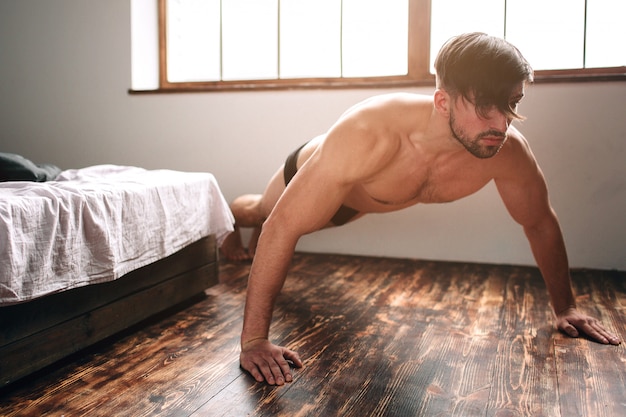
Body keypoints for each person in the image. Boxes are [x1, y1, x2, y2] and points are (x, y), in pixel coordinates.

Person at [222, 33, 621, 386]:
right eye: (486, 107)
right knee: (261, 212)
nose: (502, 124)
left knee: (289, 229)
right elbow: (282, 226)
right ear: (442, 101)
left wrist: (566, 307)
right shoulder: (368, 132)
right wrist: (254, 341)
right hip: (314, 172)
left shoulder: (507, 151)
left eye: (512, 104)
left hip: (361, 203)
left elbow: (539, 223)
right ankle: (225, 222)